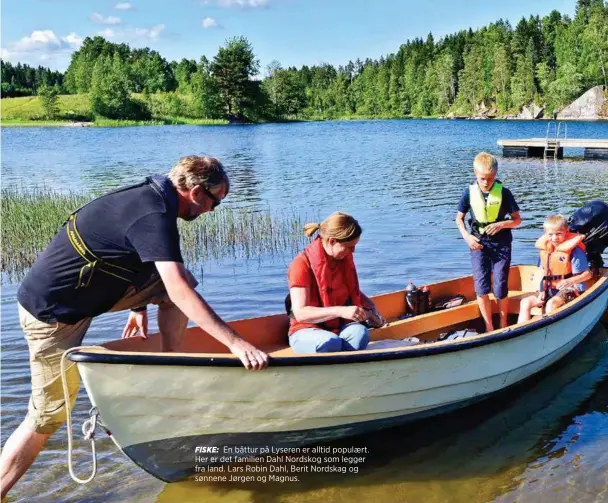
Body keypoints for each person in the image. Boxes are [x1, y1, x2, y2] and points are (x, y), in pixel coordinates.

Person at [1, 155, 269, 498]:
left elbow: (133, 256)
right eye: (216, 202)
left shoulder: (156, 198)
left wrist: (139, 305)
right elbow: (178, 290)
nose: (213, 211)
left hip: (87, 296)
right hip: (54, 315)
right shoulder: (153, 213)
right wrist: (236, 343)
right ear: (198, 192)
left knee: (180, 280)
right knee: (48, 416)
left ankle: (172, 364)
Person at [286, 212, 385, 353]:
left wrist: (371, 309)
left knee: (360, 334)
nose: (353, 251)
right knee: (330, 343)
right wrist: (340, 311)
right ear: (332, 241)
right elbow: (301, 312)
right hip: (306, 330)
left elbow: (351, 291)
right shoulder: (300, 265)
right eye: (349, 246)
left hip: (339, 327)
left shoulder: (341, 260)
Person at [456, 152, 522, 332]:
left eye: (491, 178)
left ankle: (503, 324)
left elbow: (517, 220)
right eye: (483, 178)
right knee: (481, 287)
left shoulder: (505, 193)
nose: (486, 182)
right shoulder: (468, 193)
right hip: (478, 244)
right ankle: (489, 326)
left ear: (496, 175)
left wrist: (502, 224)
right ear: (475, 174)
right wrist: (467, 236)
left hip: (501, 244)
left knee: (500, 285)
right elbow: (459, 219)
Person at [518, 215, 592, 323]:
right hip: (549, 288)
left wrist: (569, 281)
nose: (554, 238)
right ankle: (521, 332)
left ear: (566, 231)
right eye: (550, 235)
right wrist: (542, 290)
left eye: (558, 234)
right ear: (545, 234)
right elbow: (545, 273)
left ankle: (548, 331)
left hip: (570, 289)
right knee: (525, 302)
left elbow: (588, 274)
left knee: (551, 304)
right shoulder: (546, 249)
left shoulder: (574, 251)